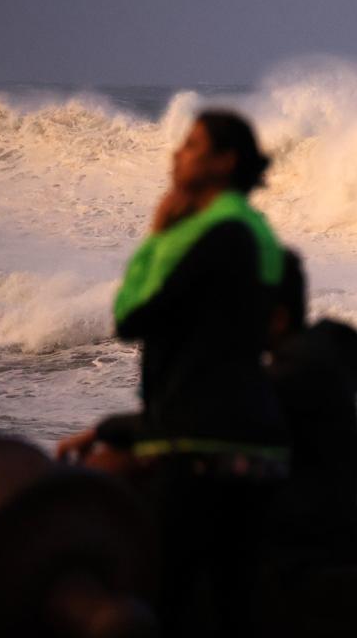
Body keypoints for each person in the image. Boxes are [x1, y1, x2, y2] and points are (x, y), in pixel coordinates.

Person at [56, 110, 288, 636]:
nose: (176, 154)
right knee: (232, 608)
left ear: (224, 161)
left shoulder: (216, 233)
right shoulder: (253, 231)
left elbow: (132, 316)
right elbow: (215, 351)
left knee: (167, 604)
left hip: (202, 447)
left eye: (192, 144)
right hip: (252, 443)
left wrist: (158, 234)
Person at [265, 250, 357, 571]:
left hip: (308, 552)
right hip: (346, 539)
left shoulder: (291, 377)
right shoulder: (323, 357)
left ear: (277, 319)